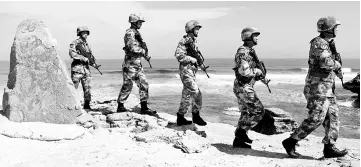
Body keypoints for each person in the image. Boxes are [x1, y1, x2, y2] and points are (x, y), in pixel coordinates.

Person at [282, 16, 348, 158]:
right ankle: (291, 141)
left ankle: (329, 147)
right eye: (335, 27)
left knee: (333, 117)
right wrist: (337, 64)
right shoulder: (319, 43)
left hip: (327, 88)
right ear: (329, 28)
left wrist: (337, 69)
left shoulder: (329, 43)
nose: (337, 29)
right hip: (317, 88)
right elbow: (326, 63)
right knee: (316, 118)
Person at [232, 27, 270, 149]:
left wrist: (261, 77)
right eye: (255, 35)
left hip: (244, 85)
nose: (257, 38)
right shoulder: (243, 52)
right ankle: (241, 132)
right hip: (243, 86)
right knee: (258, 111)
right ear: (248, 37)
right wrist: (257, 71)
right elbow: (244, 72)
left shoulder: (250, 51)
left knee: (245, 113)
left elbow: (251, 72)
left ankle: (239, 140)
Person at [116, 13, 156, 116]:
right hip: (130, 64)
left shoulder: (136, 33)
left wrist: (145, 55)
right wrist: (143, 51)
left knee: (144, 84)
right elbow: (132, 48)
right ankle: (120, 106)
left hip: (137, 64)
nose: (141, 24)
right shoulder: (130, 33)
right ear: (134, 22)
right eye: (139, 22)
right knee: (127, 85)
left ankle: (144, 107)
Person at [173, 20, 207, 126]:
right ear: (191, 29)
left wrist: (200, 64)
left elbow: (196, 56)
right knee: (197, 93)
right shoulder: (184, 41)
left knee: (186, 96)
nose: (198, 31)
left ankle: (180, 117)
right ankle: (195, 116)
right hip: (186, 71)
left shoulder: (193, 42)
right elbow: (178, 55)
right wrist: (191, 59)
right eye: (196, 29)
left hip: (191, 72)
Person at [69, 26, 93, 109]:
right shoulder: (74, 43)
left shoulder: (87, 45)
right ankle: (71, 104)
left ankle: (87, 104)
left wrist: (92, 61)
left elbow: (90, 56)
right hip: (77, 69)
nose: (85, 34)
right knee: (74, 88)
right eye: (83, 32)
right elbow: (72, 54)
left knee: (88, 88)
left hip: (86, 70)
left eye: (86, 32)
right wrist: (83, 58)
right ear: (79, 33)